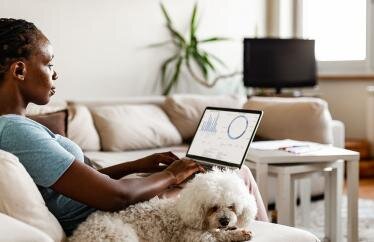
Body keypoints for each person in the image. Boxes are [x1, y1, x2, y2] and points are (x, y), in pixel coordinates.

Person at [0, 18, 268, 236]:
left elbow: (82, 181)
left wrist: (139, 165)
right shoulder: (16, 132)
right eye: (48, 63)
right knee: (237, 171)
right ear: (20, 71)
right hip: (116, 216)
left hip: (110, 204)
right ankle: (271, 235)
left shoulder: (18, 128)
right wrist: (172, 175)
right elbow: (114, 197)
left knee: (217, 170)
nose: (54, 73)